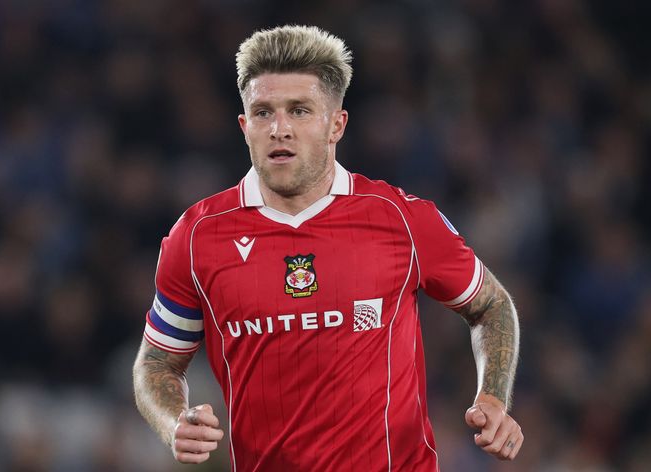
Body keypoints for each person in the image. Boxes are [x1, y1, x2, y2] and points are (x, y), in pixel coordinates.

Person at [132, 25, 522, 471]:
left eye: (299, 111)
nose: (279, 128)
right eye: (263, 113)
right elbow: (158, 363)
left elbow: (490, 304)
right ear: (244, 126)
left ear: (336, 123)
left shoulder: (401, 218)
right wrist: (173, 422)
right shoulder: (198, 236)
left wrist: (491, 396)